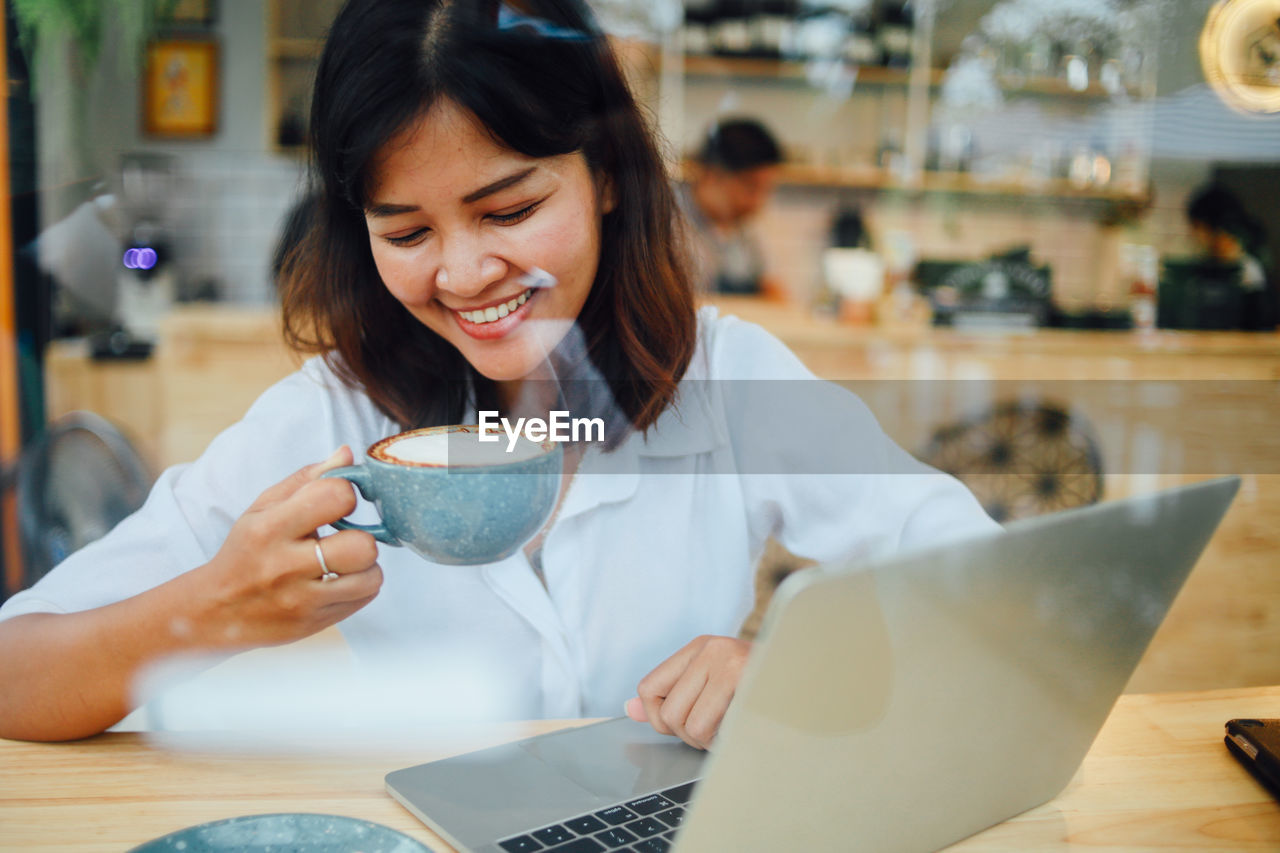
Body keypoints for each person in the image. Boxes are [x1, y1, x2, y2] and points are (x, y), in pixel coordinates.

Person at [0, 0, 997, 746]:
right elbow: (16, 671)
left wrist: (794, 667)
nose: (466, 274)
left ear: (605, 175)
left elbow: (988, 590)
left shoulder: (726, 378)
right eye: (405, 230)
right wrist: (206, 607)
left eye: (510, 211)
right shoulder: (331, 416)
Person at [680, 117, 787, 299]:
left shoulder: (746, 233)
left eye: (766, 190)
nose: (757, 203)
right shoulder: (665, 225)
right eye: (750, 187)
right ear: (711, 175)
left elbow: (772, 290)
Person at [1185, 184, 1276, 330]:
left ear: (1215, 229)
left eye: (1197, 227)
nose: (1193, 235)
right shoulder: (1209, 266)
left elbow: (1261, 324)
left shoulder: (1248, 270)